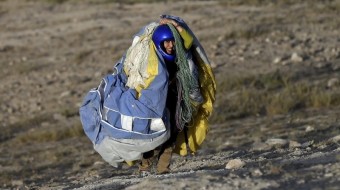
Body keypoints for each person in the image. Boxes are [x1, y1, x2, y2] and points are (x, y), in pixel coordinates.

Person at [137, 17, 203, 175]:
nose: (171, 46)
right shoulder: (151, 57)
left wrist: (175, 26)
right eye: (166, 42)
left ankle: (162, 168)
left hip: (176, 98)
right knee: (153, 133)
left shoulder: (181, 52)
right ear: (159, 42)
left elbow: (188, 40)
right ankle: (145, 166)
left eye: (173, 41)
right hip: (156, 102)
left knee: (173, 133)